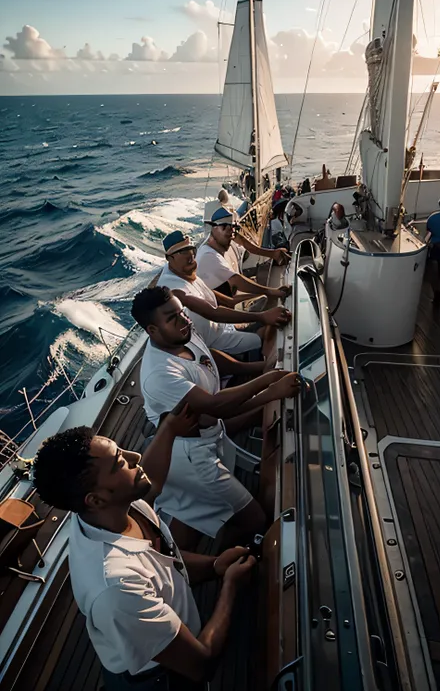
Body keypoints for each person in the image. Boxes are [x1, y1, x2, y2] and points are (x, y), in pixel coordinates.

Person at [32, 412, 257, 691]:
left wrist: (214, 566)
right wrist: (230, 585)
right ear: (97, 499)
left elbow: (161, 561)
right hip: (163, 678)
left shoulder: (121, 509)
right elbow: (201, 665)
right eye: (119, 462)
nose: (134, 457)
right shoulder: (118, 589)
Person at [131, 286, 301, 549]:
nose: (184, 320)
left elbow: (208, 360)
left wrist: (255, 369)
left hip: (211, 436)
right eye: (172, 318)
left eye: (181, 312)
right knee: (254, 519)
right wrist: (269, 384)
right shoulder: (160, 374)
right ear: (152, 330)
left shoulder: (180, 334)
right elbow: (215, 406)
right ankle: (226, 562)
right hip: (191, 456)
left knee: (200, 508)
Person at [158, 231, 291, 356]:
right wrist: (262, 316)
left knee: (269, 316)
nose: (190, 255)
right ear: (169, 258)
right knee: (270, 335)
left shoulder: (184, 271)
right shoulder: (172, 288)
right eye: (182, 252)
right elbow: (213, 312)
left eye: (190, 249)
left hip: (223, 328)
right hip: (214, 343)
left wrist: (271, 293)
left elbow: (228, 301)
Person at [196, 207, 291, 298]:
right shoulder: (208, 256)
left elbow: (245, 244)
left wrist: (273, 254)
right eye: (224, 227)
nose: (230, 231)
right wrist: (272, 291)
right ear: (213, 228)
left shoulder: (226, 240)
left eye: (233, 227)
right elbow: (236, 281)